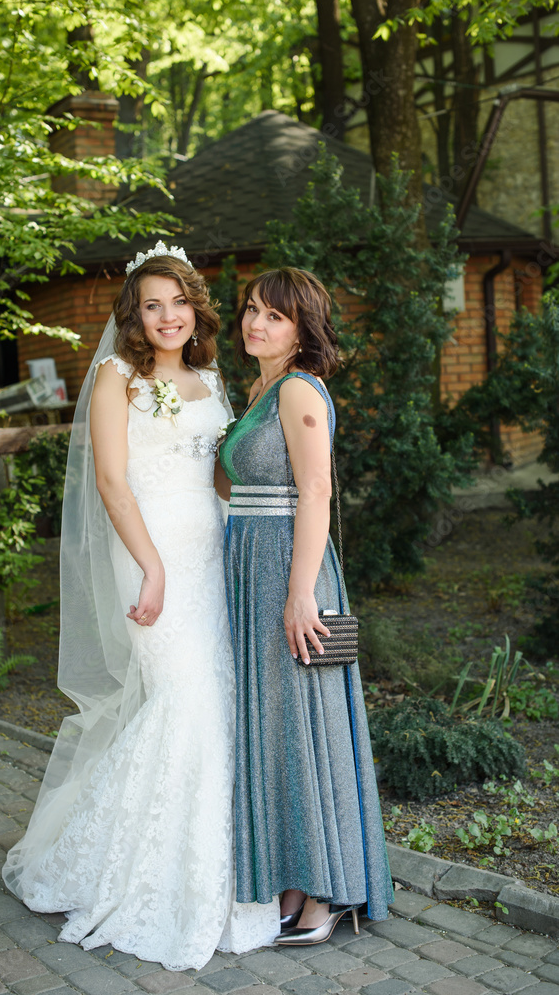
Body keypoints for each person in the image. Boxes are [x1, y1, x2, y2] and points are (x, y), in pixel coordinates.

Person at [2, 242, 279, 970]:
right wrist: (152, 568)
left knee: (216, 700)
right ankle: (150, 878)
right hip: (149, 557)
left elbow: (220, 478)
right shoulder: (114, 379)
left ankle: (220, 870)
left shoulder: (212, 378)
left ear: (195, 310)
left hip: (212, 551)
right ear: (134, 314)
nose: (167, 316)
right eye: (152, 304)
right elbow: (114, 487)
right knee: (183, 699)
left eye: (178, 303)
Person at [217, 267, 393, 947]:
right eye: (252, 313)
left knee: (307, 724)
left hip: (293, 571)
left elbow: (315, 491)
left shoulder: (297, 388)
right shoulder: (260, 390)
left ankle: (327, 893)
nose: (257, 325)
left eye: (276, 317)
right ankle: (292, 882)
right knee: (276, 727)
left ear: (302, 329)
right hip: (250, 567)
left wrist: (300, 594)